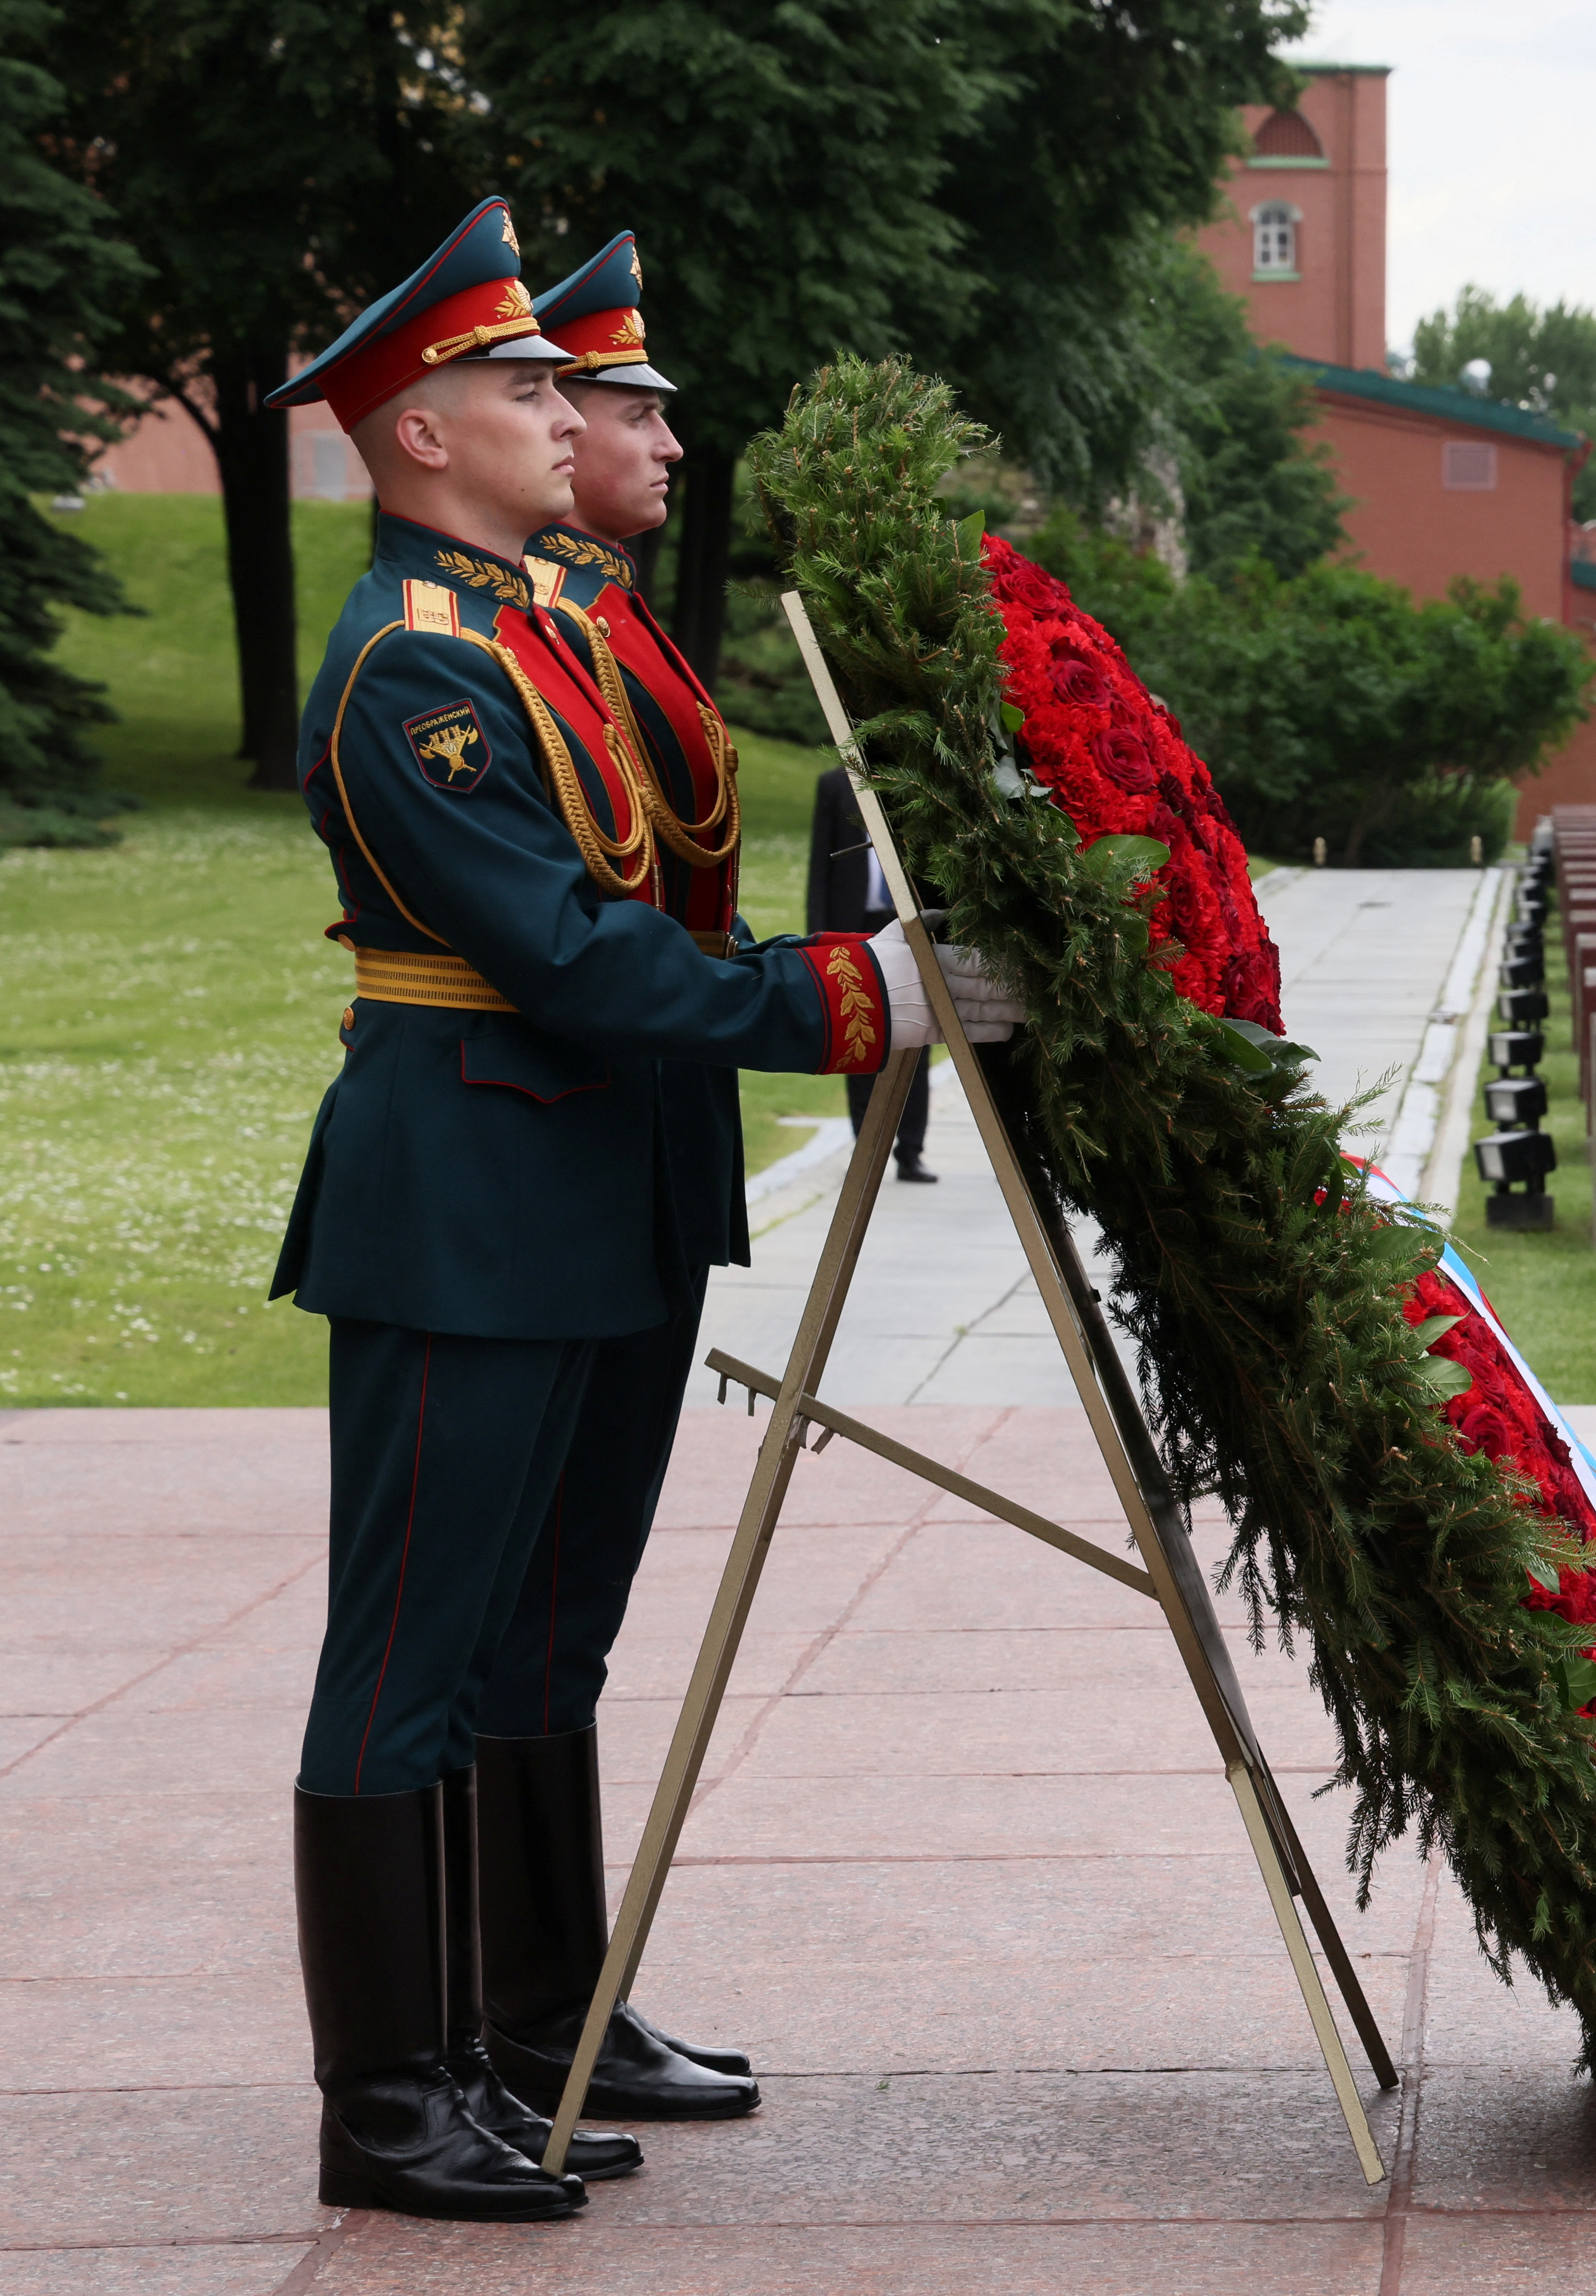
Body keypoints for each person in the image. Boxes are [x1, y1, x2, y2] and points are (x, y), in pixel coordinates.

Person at [261, 199, 1023, 2223]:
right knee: (411, 1647)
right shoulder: (415, 673)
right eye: (522, 387)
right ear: (420, 432)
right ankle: (389, 2092)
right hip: (470, 1198)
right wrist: (863, 993)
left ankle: (521, 2028)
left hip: (577, 1183)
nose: (568, 411)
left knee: (539, 1635)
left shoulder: (531, 635)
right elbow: (578, 957)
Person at [424, 233, 778, 2139]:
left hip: (653, 1129)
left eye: (620, 402)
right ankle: (519, 2014)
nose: (639, 437)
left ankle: (561, 2005)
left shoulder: (605, 620)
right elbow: (583, 917)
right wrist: (818, 1000)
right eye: (609, 403)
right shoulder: (502, 638)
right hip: (569, 1125)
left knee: (571, 1606)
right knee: (519, 1606)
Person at [812, 765, 935, 1178]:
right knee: (858, 1035)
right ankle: (867, 1150)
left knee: (914, 1034)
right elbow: (819, 863)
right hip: (852, 926)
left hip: (905, 924)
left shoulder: (911, 777)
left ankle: (910, 1151)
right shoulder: (833, 785)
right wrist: (817, 934)